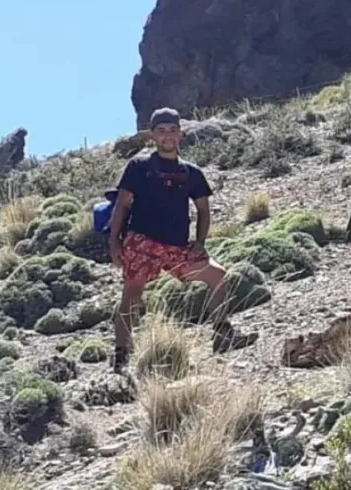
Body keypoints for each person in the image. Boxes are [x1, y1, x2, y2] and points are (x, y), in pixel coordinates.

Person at [107, 107, 258, 373]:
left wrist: (200, 242)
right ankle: (121, 357)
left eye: (172, 130)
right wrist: (114, 243)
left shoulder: (192, 173)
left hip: (177, 246)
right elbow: (122, 205)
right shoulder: (139, 166)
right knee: (132, 295)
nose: (168, 136)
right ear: (152, 135)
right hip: (142, 242)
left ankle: (222, 335)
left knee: (218, 277)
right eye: (162, 130)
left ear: (181, 134)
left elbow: (203, 210)